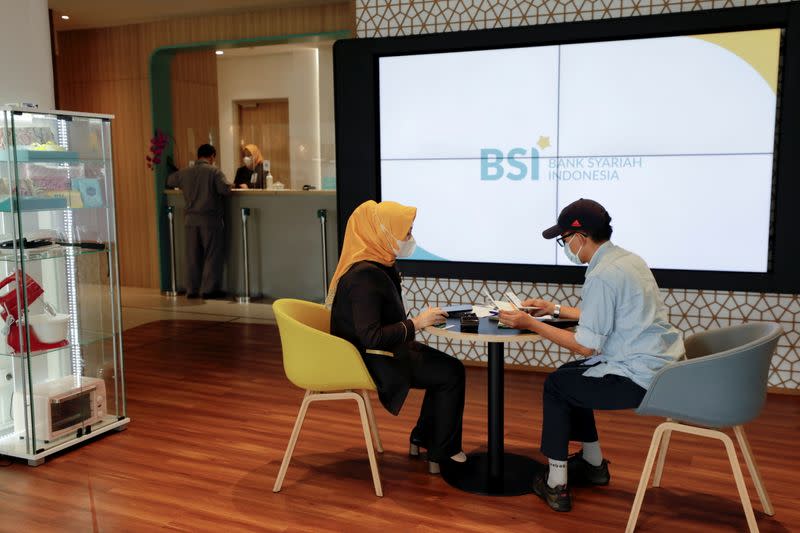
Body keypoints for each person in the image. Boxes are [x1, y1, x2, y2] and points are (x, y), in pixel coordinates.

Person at [498, 198, 684, 513]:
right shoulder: (628, 260)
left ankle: (556, 484)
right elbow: (603, 317)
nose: (566, 246)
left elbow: (586, 345)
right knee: (573, 375)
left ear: (581, 237)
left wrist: (529, 323)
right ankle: (593, 464)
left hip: (638, 377)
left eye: (565, 240)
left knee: (558, 385)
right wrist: (553, 309)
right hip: (659, 365)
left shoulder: (602, 274)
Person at [327, 200, 467, 474]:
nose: (410, 239)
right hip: (374, 359)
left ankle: (424, 438)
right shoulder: (364, 277)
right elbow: (372, 337)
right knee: (451, 372)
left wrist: (414, 325)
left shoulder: (377, 264)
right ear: (382, 233)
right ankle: (441, 452)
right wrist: (417, 323)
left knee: (445, 369)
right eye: (406, 232)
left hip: (384, 351)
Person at [166, 144, 231, 299]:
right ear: (212, 156)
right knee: (211, 255)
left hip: (190, 220)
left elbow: (170, 181)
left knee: (192, 256)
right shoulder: (214, 172)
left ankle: (192, 290)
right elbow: (225, 189)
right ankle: (209, 290)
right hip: (210, 219)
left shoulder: (185, 172)